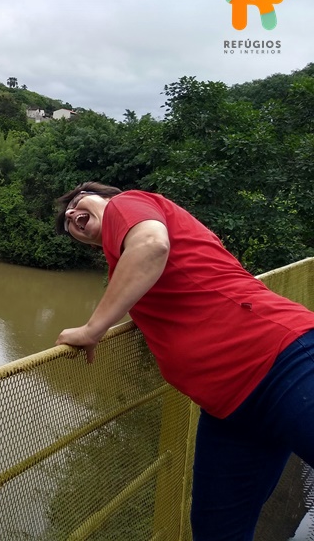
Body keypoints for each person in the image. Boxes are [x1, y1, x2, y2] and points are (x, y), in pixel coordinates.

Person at [54, 182, 314, 540]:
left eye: (77, 201)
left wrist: (92, 330)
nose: (70, 214)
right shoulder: (122, 266)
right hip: (230, 410)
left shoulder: (126, 204)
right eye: (67, 222)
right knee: (215, 532)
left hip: (279, 361)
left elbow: (152, 245)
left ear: (106, 197)